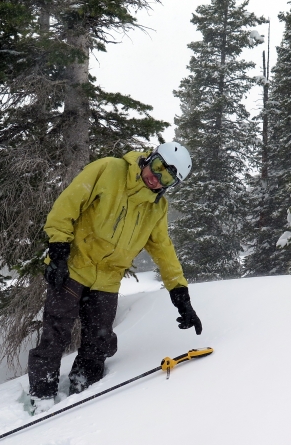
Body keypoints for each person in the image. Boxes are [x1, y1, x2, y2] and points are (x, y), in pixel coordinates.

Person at [27, 142, 203, 413]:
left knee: (99, 340)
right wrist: (59, 249)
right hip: (74, 266)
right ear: (149, 158)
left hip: (107, 280)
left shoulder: (156, 208)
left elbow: (163, 249)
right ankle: (42, 394)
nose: (155, 177)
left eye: (166, 176)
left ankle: (83, 388)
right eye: (157, 167)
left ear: (171, 184)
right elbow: (68, 204)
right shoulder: (110, 170)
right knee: (56, 333)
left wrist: (180, 293)